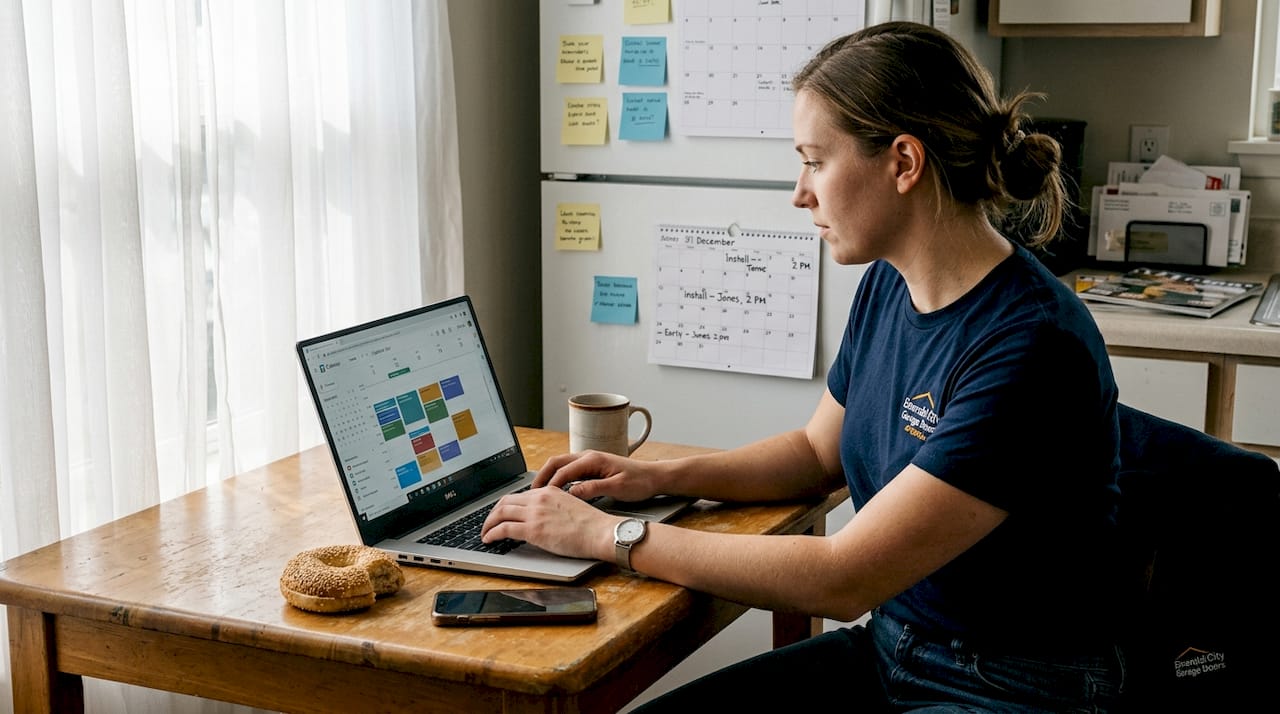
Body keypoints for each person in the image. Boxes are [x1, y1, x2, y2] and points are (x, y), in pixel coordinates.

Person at [482, 20, 1126, 712]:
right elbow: (816, 451)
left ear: (904, 164)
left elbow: (843, 577)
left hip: (1014, 688)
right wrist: (657, 479)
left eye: (815, 160)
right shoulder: (892, 283)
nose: (799, 191)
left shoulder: (1031, 344)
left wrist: (607, 535)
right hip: (897, 649)